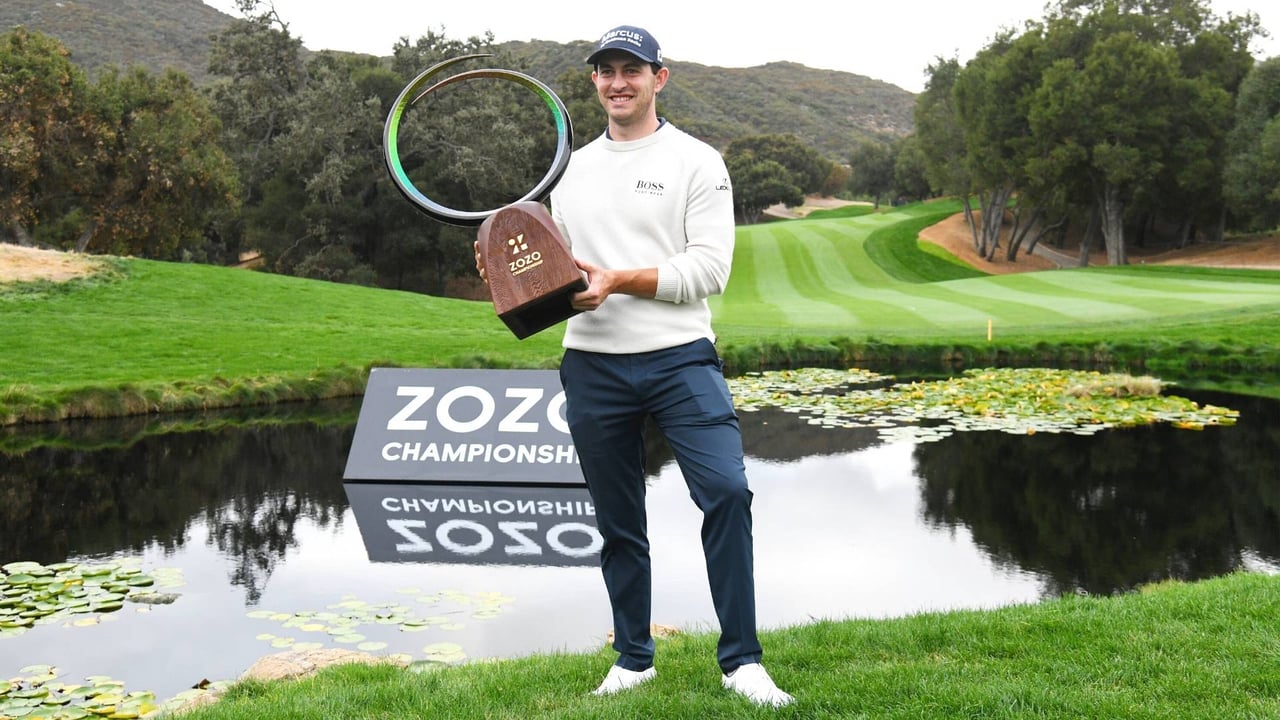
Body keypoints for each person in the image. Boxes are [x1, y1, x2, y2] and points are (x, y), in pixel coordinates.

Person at [478, 24, 792, 708]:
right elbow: (555, 276)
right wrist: (510, 274)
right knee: (618, 520)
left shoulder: (698, 161)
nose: (618, 81)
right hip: (592, 365)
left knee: (728, 493)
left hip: (681, 359)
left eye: (631, 69)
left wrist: (618, 280)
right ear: (593, 80)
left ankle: (742, 662)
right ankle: (632, 657)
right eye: (605, 70)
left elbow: (709, 269)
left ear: (659, 77)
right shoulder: (569, 170)